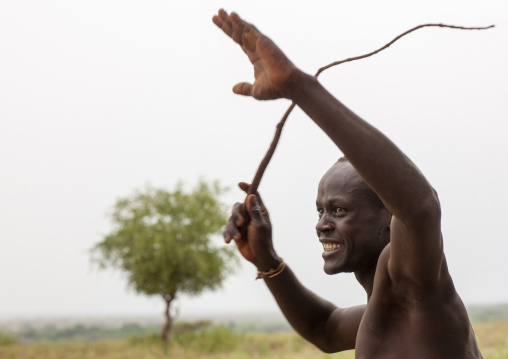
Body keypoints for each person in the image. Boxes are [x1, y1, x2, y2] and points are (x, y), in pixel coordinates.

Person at [213, 9, 482, 358]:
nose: (322, 224)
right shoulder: (385, 309)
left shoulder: (416, 290)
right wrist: (265, 257)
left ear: (390, 217)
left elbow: (421, 208)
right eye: (321, 210)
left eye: (339, 210)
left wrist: (299, 87)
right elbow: (323, 328)